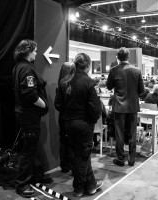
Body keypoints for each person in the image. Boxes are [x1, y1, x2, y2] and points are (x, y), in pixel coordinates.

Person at [55, 53, 103, 197]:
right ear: (87, 65)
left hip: (69, 124)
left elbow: (58, 104)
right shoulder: (89, 82)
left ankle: (91, 185)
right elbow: (96, 109)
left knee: (79, 154)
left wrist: (69, 115)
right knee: (82, 155)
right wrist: (91, 121)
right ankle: (79, 188)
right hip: (84, 125)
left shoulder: (64, 81)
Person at [12, 39, 51, 198]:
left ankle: (35, 176)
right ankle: (22, 185)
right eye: (34, 50)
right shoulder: (26, 69)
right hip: (29, 115)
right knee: (28, 150)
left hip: (25, 114)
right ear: (28, 51)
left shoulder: (18, 67)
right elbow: (29, 93)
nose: (36, 53)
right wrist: (44, 105)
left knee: (31, 148)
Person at [106, 47, 145, 167]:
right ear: (128, 57)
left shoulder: (114, 70)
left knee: (119, 133)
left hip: (119, 106)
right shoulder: (137, 70)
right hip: (133, 106)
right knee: (132, 133)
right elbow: (142, 90)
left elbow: (108, 86)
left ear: (117, 57)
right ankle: (131, 159)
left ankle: (120, 159)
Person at [54, 62, 76, 173]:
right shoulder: (74, 83)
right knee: (73, 142)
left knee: (63, 141)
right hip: (72, 118)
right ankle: (72, 166)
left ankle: (65, 165)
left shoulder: (60, 84)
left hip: (63, 118)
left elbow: (57, 104)